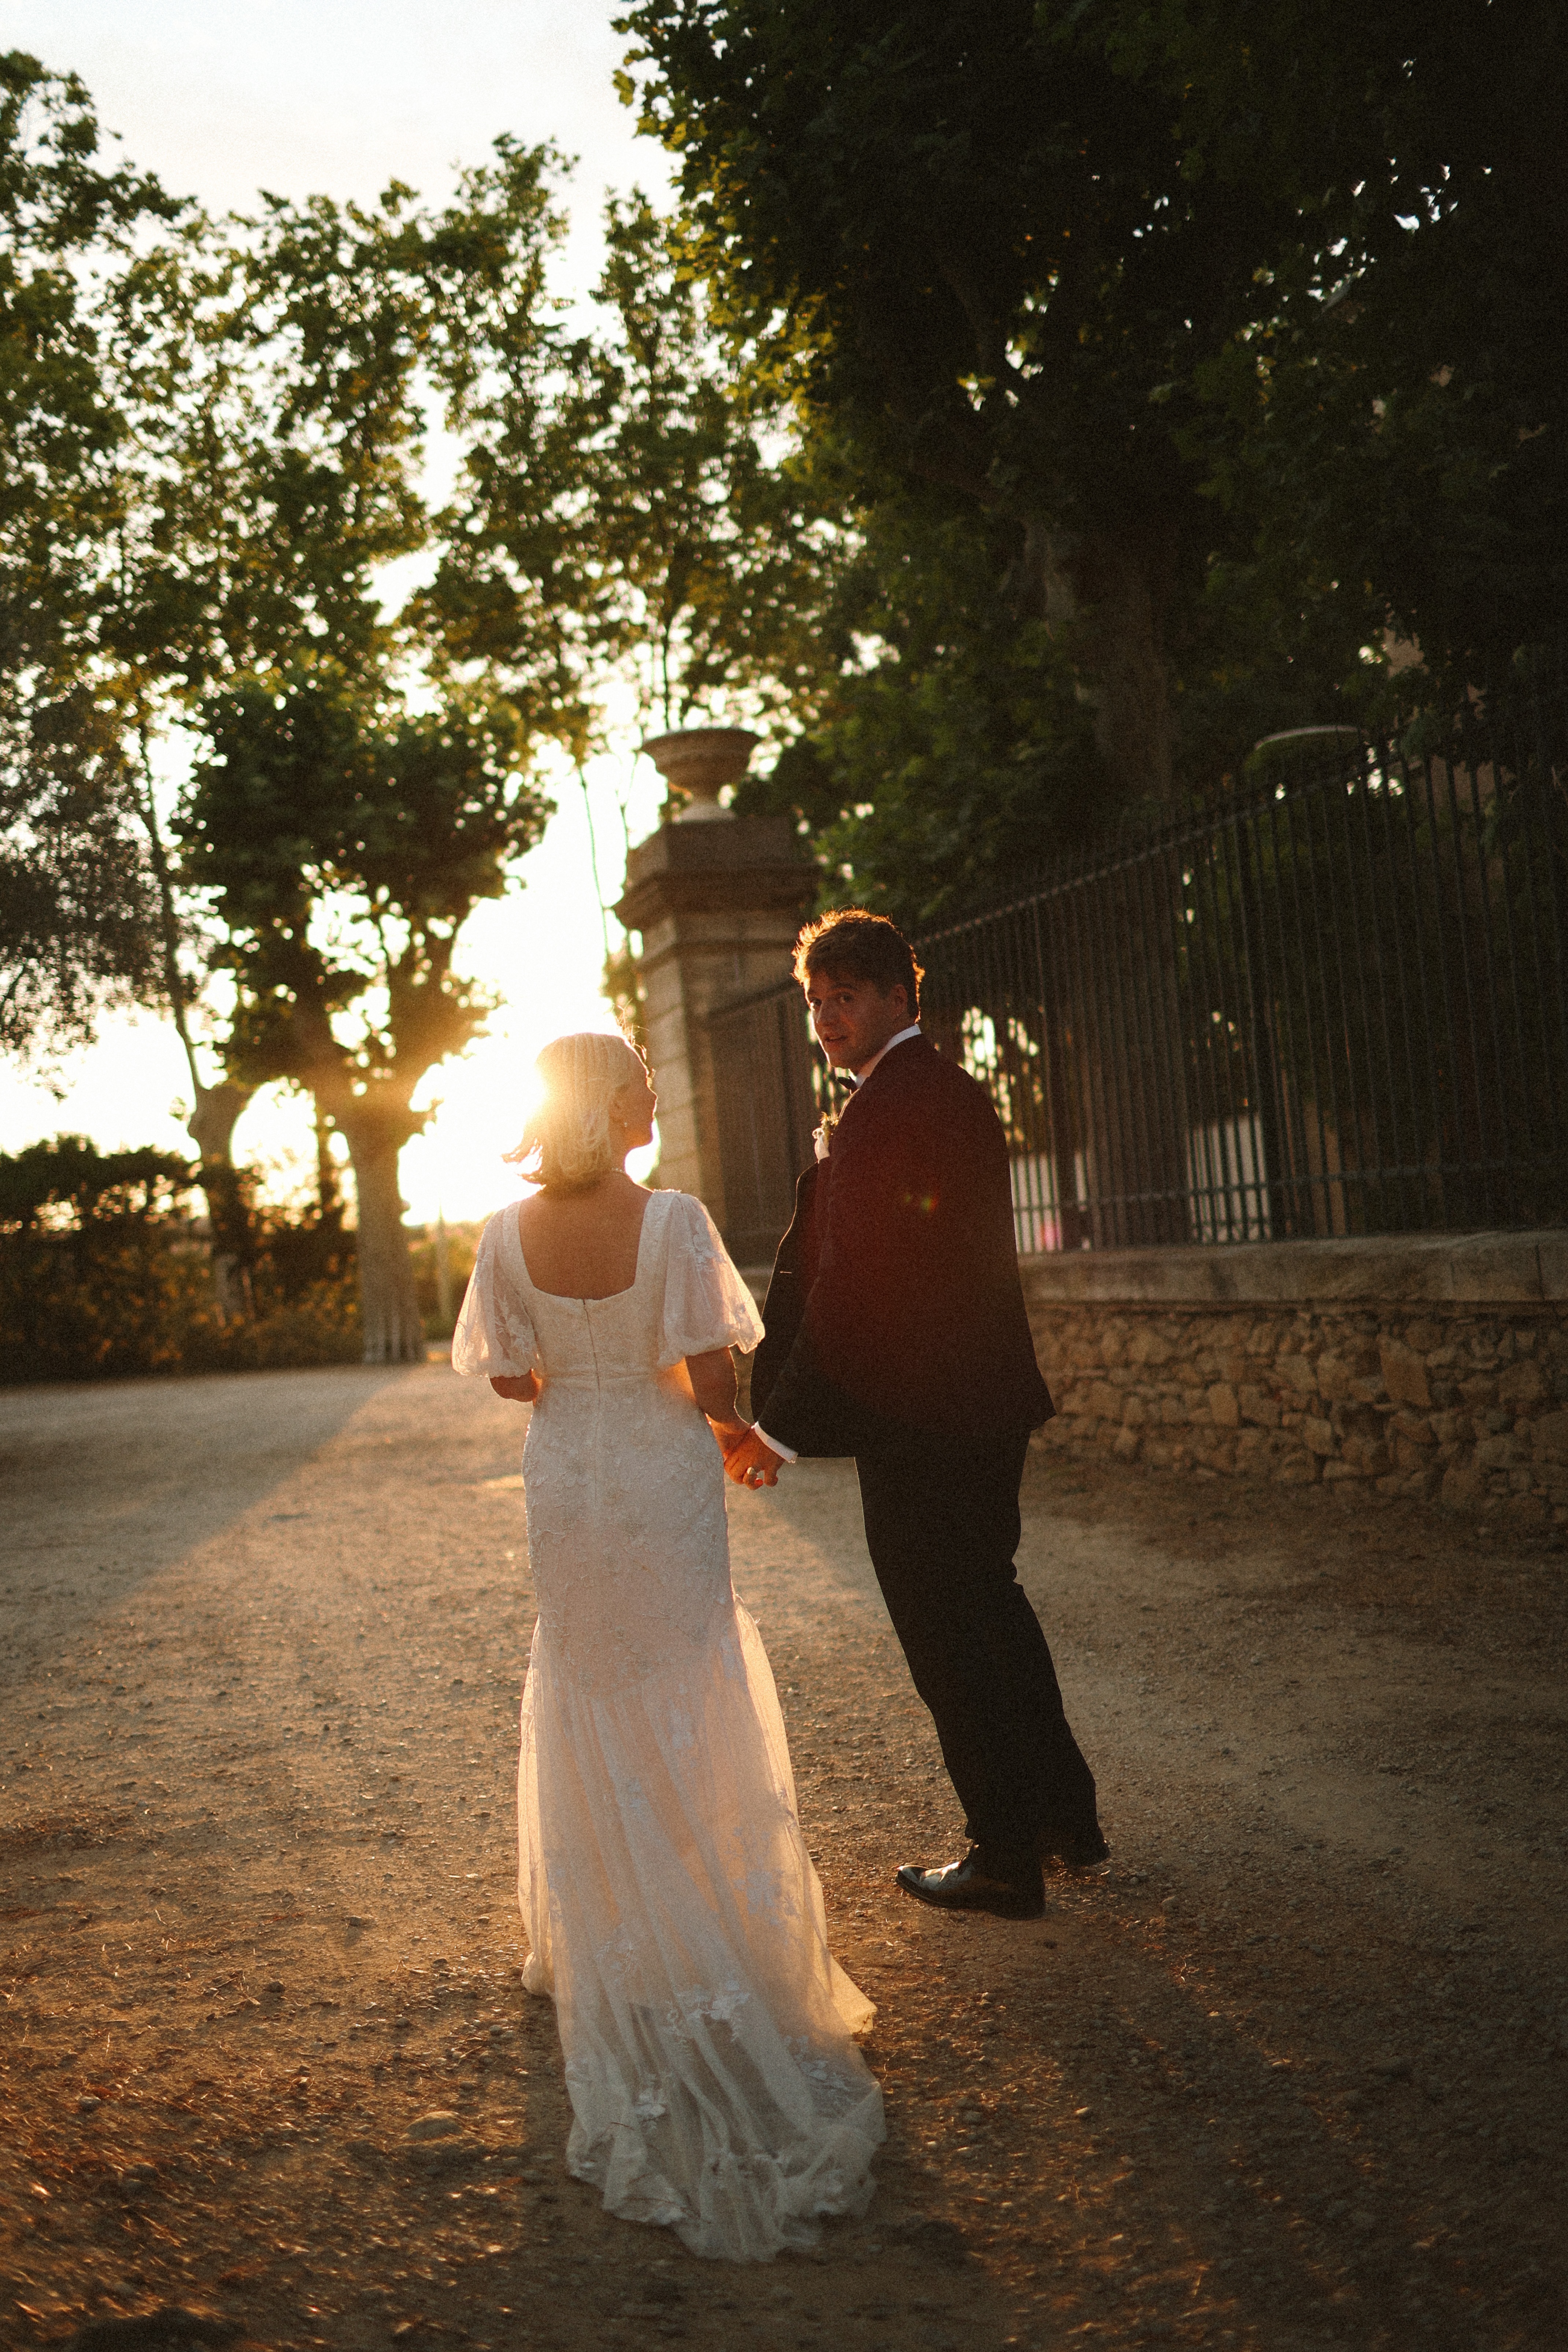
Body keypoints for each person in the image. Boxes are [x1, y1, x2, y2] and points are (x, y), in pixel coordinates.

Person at [451, 1031, 883, 2262]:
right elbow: (706, 1378)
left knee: (583, 1673)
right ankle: (713, 1928)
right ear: (613, 1103)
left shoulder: (500, 1231)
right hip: (657, 1472)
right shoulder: (677, 1219)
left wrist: (579, 1388)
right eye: (640, 1085)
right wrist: (740, 1432)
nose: (652, 1100)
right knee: (685, 1670)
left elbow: (510, 1380)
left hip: (570, 1480)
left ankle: (592, 1935)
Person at [725, 911, 1107, 1922]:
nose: (829, 1016)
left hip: (922, 1415)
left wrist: (776, 1428)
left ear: (902, 994)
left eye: (846, 995)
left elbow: (856, 1290)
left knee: (948, 1631)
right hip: (976, 1401)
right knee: (993, 1604)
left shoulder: (893, 1108)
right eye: (816, 1001)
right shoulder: (933, 1092)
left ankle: (1004, 1856)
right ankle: (1065, 1817)